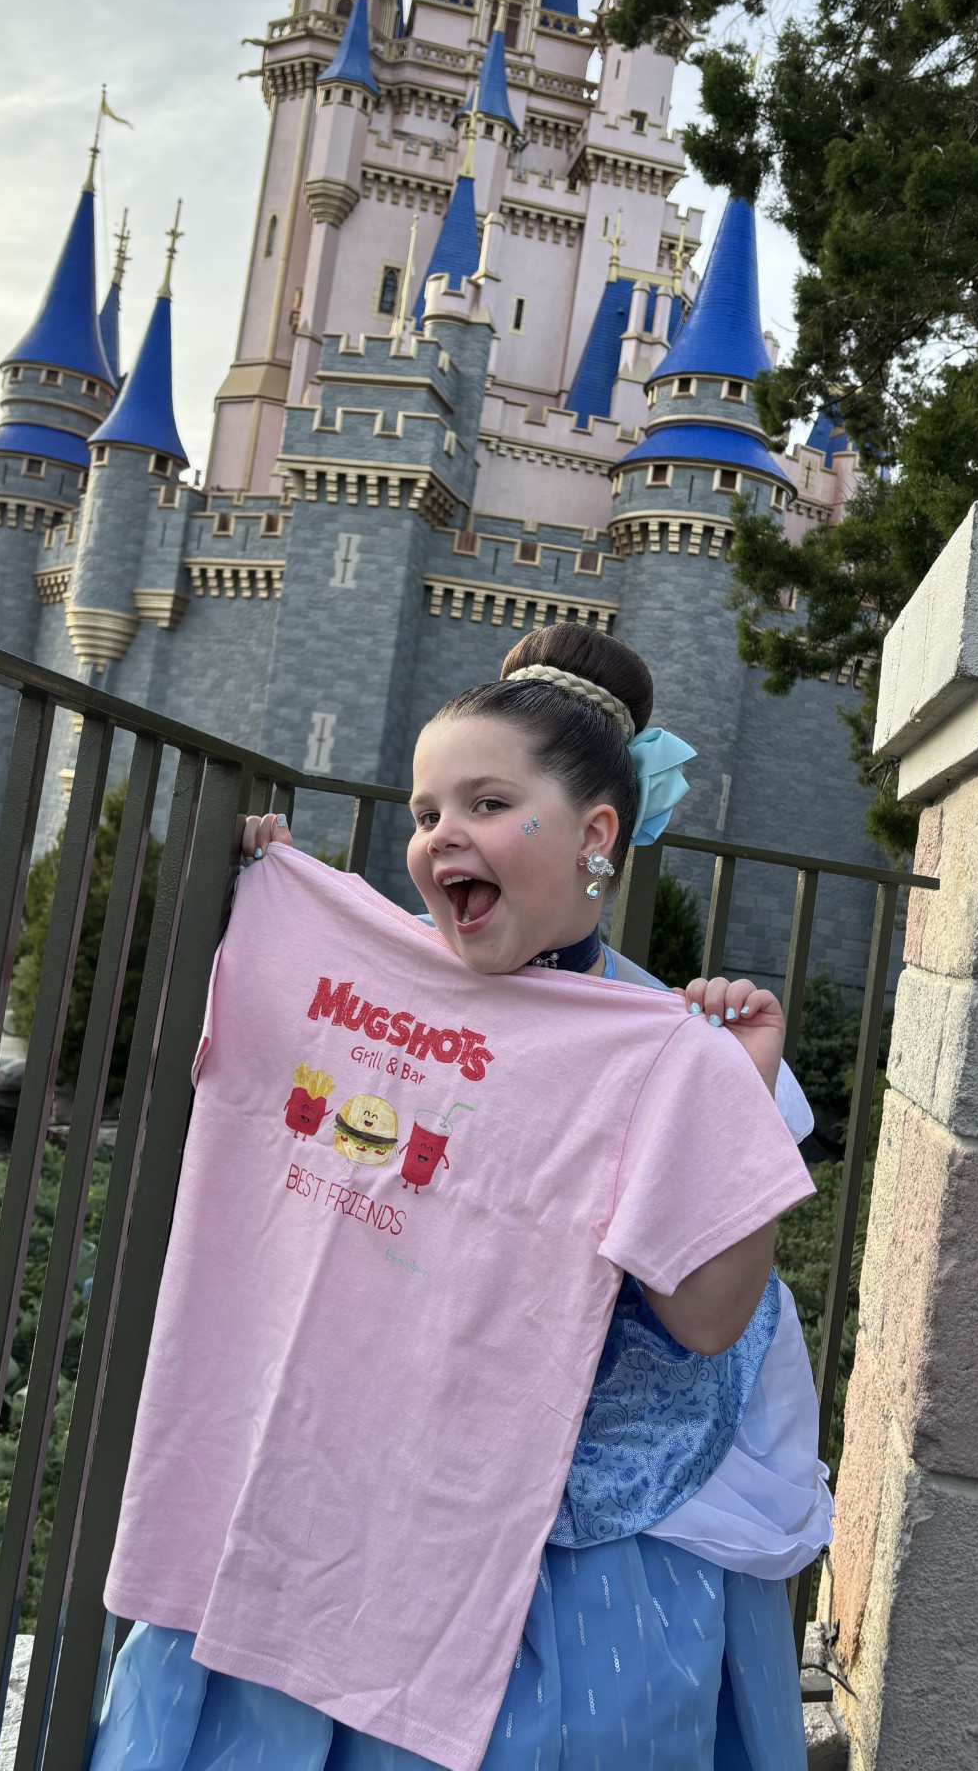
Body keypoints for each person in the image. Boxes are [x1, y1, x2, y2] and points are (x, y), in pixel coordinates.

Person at [92, 625, 830, 1771]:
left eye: (486, 803)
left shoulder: (665, 1045)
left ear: (597, 837)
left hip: (547, 1517)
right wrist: (246, 892)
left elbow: (707, 1320)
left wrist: (733, 1097)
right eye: (426, 812)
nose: (441, 837)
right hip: (335, 1465)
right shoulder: (356, 971)